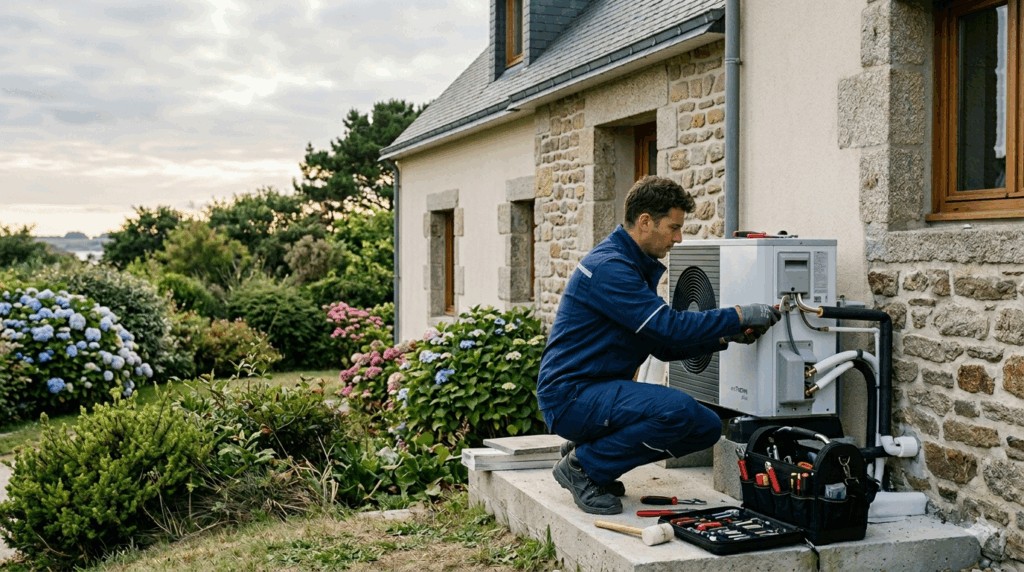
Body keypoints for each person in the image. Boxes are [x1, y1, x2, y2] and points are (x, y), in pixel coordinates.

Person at [536, 175, 782, 515]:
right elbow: (668, 329)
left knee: (706, 427)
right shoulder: (611, 268)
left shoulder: (631, 266)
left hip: (597, 390)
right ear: (645, 222)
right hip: (571, 395)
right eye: (673, 227)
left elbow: (662, 346)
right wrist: (738, 315)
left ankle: (593, 456)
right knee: (677, 410)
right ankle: (583, 467)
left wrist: (725, 336)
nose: (678, 239)